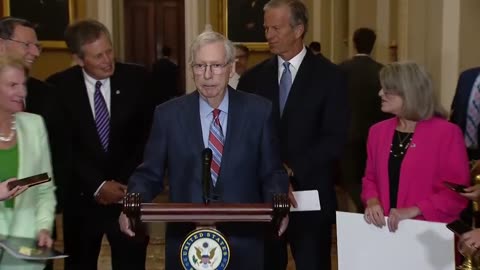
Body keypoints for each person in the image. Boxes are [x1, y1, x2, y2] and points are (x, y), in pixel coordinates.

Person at [119, 30, 289, 269]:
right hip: (187, 243)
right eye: (200, 66)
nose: (208, 75)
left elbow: (272, 172)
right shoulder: (168, 115)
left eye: (216, 65)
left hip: (243, 242)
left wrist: (278, 203)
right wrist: (131, 204)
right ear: (191, 69)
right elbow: (149, 173)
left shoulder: (259, 112)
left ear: (231, 67)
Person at [237, 0, 349, 269]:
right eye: (266, 28)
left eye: (275, 28)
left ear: (299, 30)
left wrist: (290, 171)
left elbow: (335, 138)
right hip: (263, 198)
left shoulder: (331, 76)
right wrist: (272, 174)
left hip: (310, 197)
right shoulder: (252, 79)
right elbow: (244, 135)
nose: (268, 35)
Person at [46, 19, 153, 270]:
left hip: (129, 196)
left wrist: (127, 184)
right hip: (82, 201)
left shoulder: (137, 79)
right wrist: (98, 185)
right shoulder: (59, 87)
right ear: (79, 59)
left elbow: (146, 138)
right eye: (98, 56)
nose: (107, 60)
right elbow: (63, 147)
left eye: (109, 51)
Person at [362, 62, 469, 233]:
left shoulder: (446, 133)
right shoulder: (377, 132)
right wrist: (372, 200)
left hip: (428, 234)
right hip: (383, 232)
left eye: (387, 89)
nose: (380, 93)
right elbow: (370, 178)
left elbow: (456, 194)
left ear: (410, 93)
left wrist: (416, 209)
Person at [0, 54, 56, 269]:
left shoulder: (34, 126)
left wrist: (43, 228)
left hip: (22, 255)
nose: (21, 92)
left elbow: (44, 188)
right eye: (12, 85)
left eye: (23, 84)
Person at [338, 27, 388, 212]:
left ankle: (361, 207)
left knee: (350, 179)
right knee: (371, 178)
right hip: (375, 135)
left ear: (353, 43)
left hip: (347, 133)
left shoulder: (341, 69)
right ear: (373, 45)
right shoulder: (382, 71)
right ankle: (366, 207)